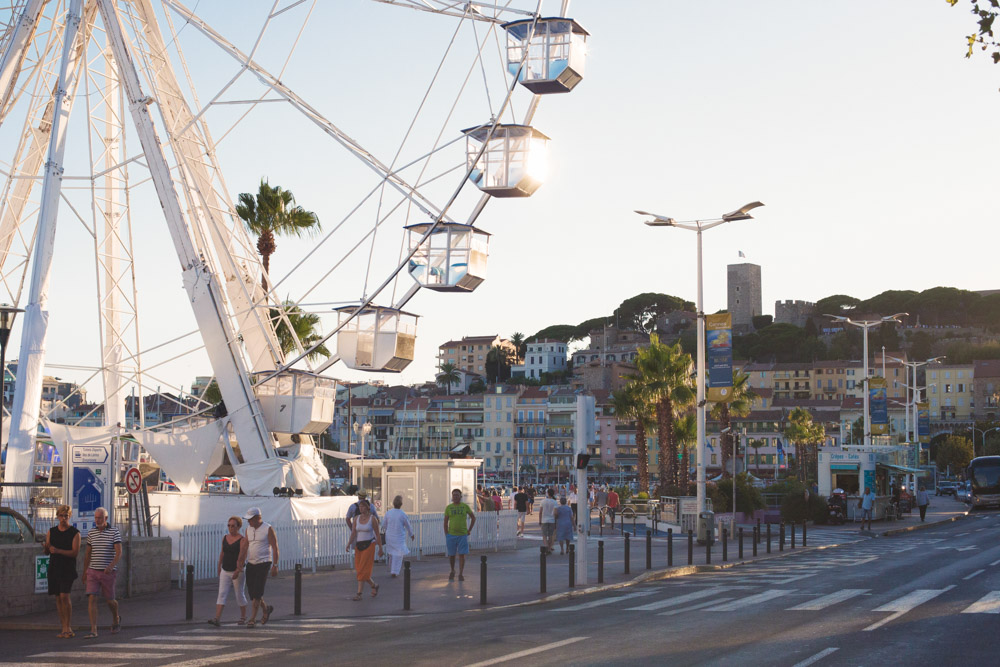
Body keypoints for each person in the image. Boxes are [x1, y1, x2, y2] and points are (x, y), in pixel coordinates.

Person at [82, 507, 121, 638]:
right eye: (96, 517)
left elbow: (119, 552)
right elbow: (88, 553)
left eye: (100, 518)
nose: (97, 520)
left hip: (107, 573)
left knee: (110, 600)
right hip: (93, 571)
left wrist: (111, 566)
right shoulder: (91, 533)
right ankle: (94, 629)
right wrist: (85, 572)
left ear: (106, 518)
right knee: (92, 598)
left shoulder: (114, 532)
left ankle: (116, 617)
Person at [44, 504, 80, 638]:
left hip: (67, 568)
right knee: (58, 597)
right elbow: (47, 551)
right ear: (57, 516)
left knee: (65, 596)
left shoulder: (74, 533)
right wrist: (47, 548)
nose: (63, 518)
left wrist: (58, 551)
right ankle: (63, 627)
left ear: (69, 516)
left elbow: (74, 552)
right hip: (54, 567)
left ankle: (68, 626)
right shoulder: (51, 531)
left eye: (66, 516)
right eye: (61, 515)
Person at [208, 516, 248, 626]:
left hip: (237, 570)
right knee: (222, 593)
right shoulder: (225, 537)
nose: (231, 528)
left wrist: (237, 570)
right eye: (229, 526)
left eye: (233, 526)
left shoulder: (242, 539)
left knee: (239, 593)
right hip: (225, 569)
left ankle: (243, 616)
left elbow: (242, 556)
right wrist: (219, 566)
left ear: (238, 527)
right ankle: (217, 618)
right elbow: (222, 552)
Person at [243, 507, 278, 627]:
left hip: (263, 562)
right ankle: (266, 608)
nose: (249, 522)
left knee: (258, 590)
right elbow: (245, 545)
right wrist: (241, 561)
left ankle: (252, 618)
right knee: (252, 592)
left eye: (250, 519)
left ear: (258, 518)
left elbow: (274, 546)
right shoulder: (248, 529)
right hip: (251, 563)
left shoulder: (267, 528)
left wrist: (275, 565)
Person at [346, 498, 383, 599]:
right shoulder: (357, 518)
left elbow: (377, 534)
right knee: (359, 570)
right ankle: (374, 585)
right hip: (359, 546)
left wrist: (380, 547)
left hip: (369, 545)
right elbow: (353, 532)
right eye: (360, 506)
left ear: (367, 507)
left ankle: (359, 594)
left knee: (363, 569)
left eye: (362, 506)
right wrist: (349, 543)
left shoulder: (372, 519)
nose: (361, 508)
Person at [443, 488, 476, 581]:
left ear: (460, 497)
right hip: (451, 535)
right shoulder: (449, 508)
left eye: (457, 495)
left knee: (462, 554)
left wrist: (469, 530)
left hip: (462, 535)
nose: (455, 497)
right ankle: (452, 570)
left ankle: (461, 573)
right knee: (451, 555)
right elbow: (445, 522)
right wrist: (447, 534)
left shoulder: (465, 506)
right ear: (452, 497)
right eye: (454, 495)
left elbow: (473, 518)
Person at [382, 495, 413, 577]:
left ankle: (391, 568)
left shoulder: (388, 513)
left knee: (391, 553)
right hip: (399, 537)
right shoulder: (403, 514)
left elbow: (383, 525)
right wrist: (411, 534)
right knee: (398, 554)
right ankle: (394, 571)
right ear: (401, 504)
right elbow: (408, 526)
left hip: (389, 536)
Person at [538, 487, 557, 554]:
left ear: (548, 493)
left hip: (544, 520)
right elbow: (555, 513)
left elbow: (540, 512)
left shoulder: (543, 501)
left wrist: (539, 520)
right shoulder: (554, 502)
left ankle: (546, 546)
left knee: (544, 535)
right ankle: (549, 548)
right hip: (552, 520)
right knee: (551, 535)